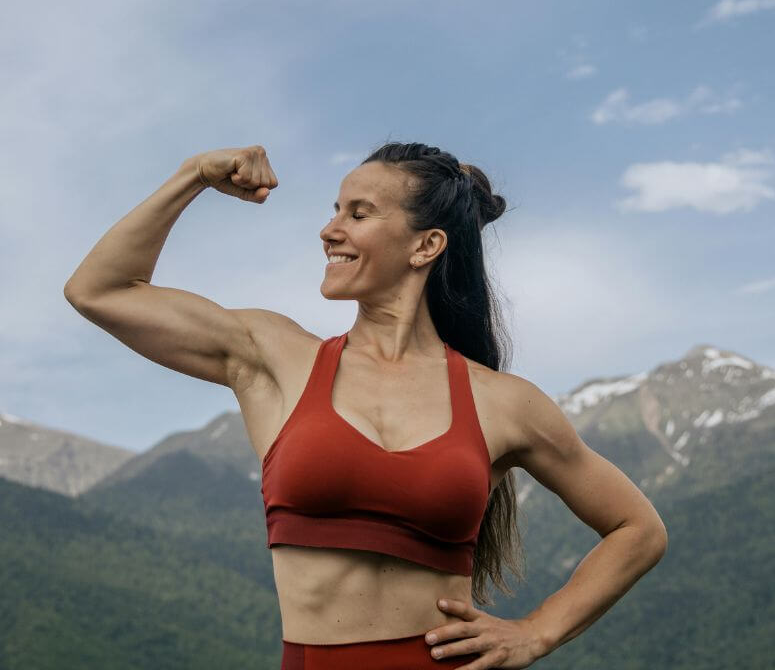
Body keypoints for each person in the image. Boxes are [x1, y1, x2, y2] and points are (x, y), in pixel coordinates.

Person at [64, 143, 668, 669]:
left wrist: (535, 634)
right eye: (334, 211)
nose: (330, 230)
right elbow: (100, 291)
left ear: (426, 245)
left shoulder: (505, 403)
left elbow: (636, 529)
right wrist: (193, 174)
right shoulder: (273, 357)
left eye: (358, 213)